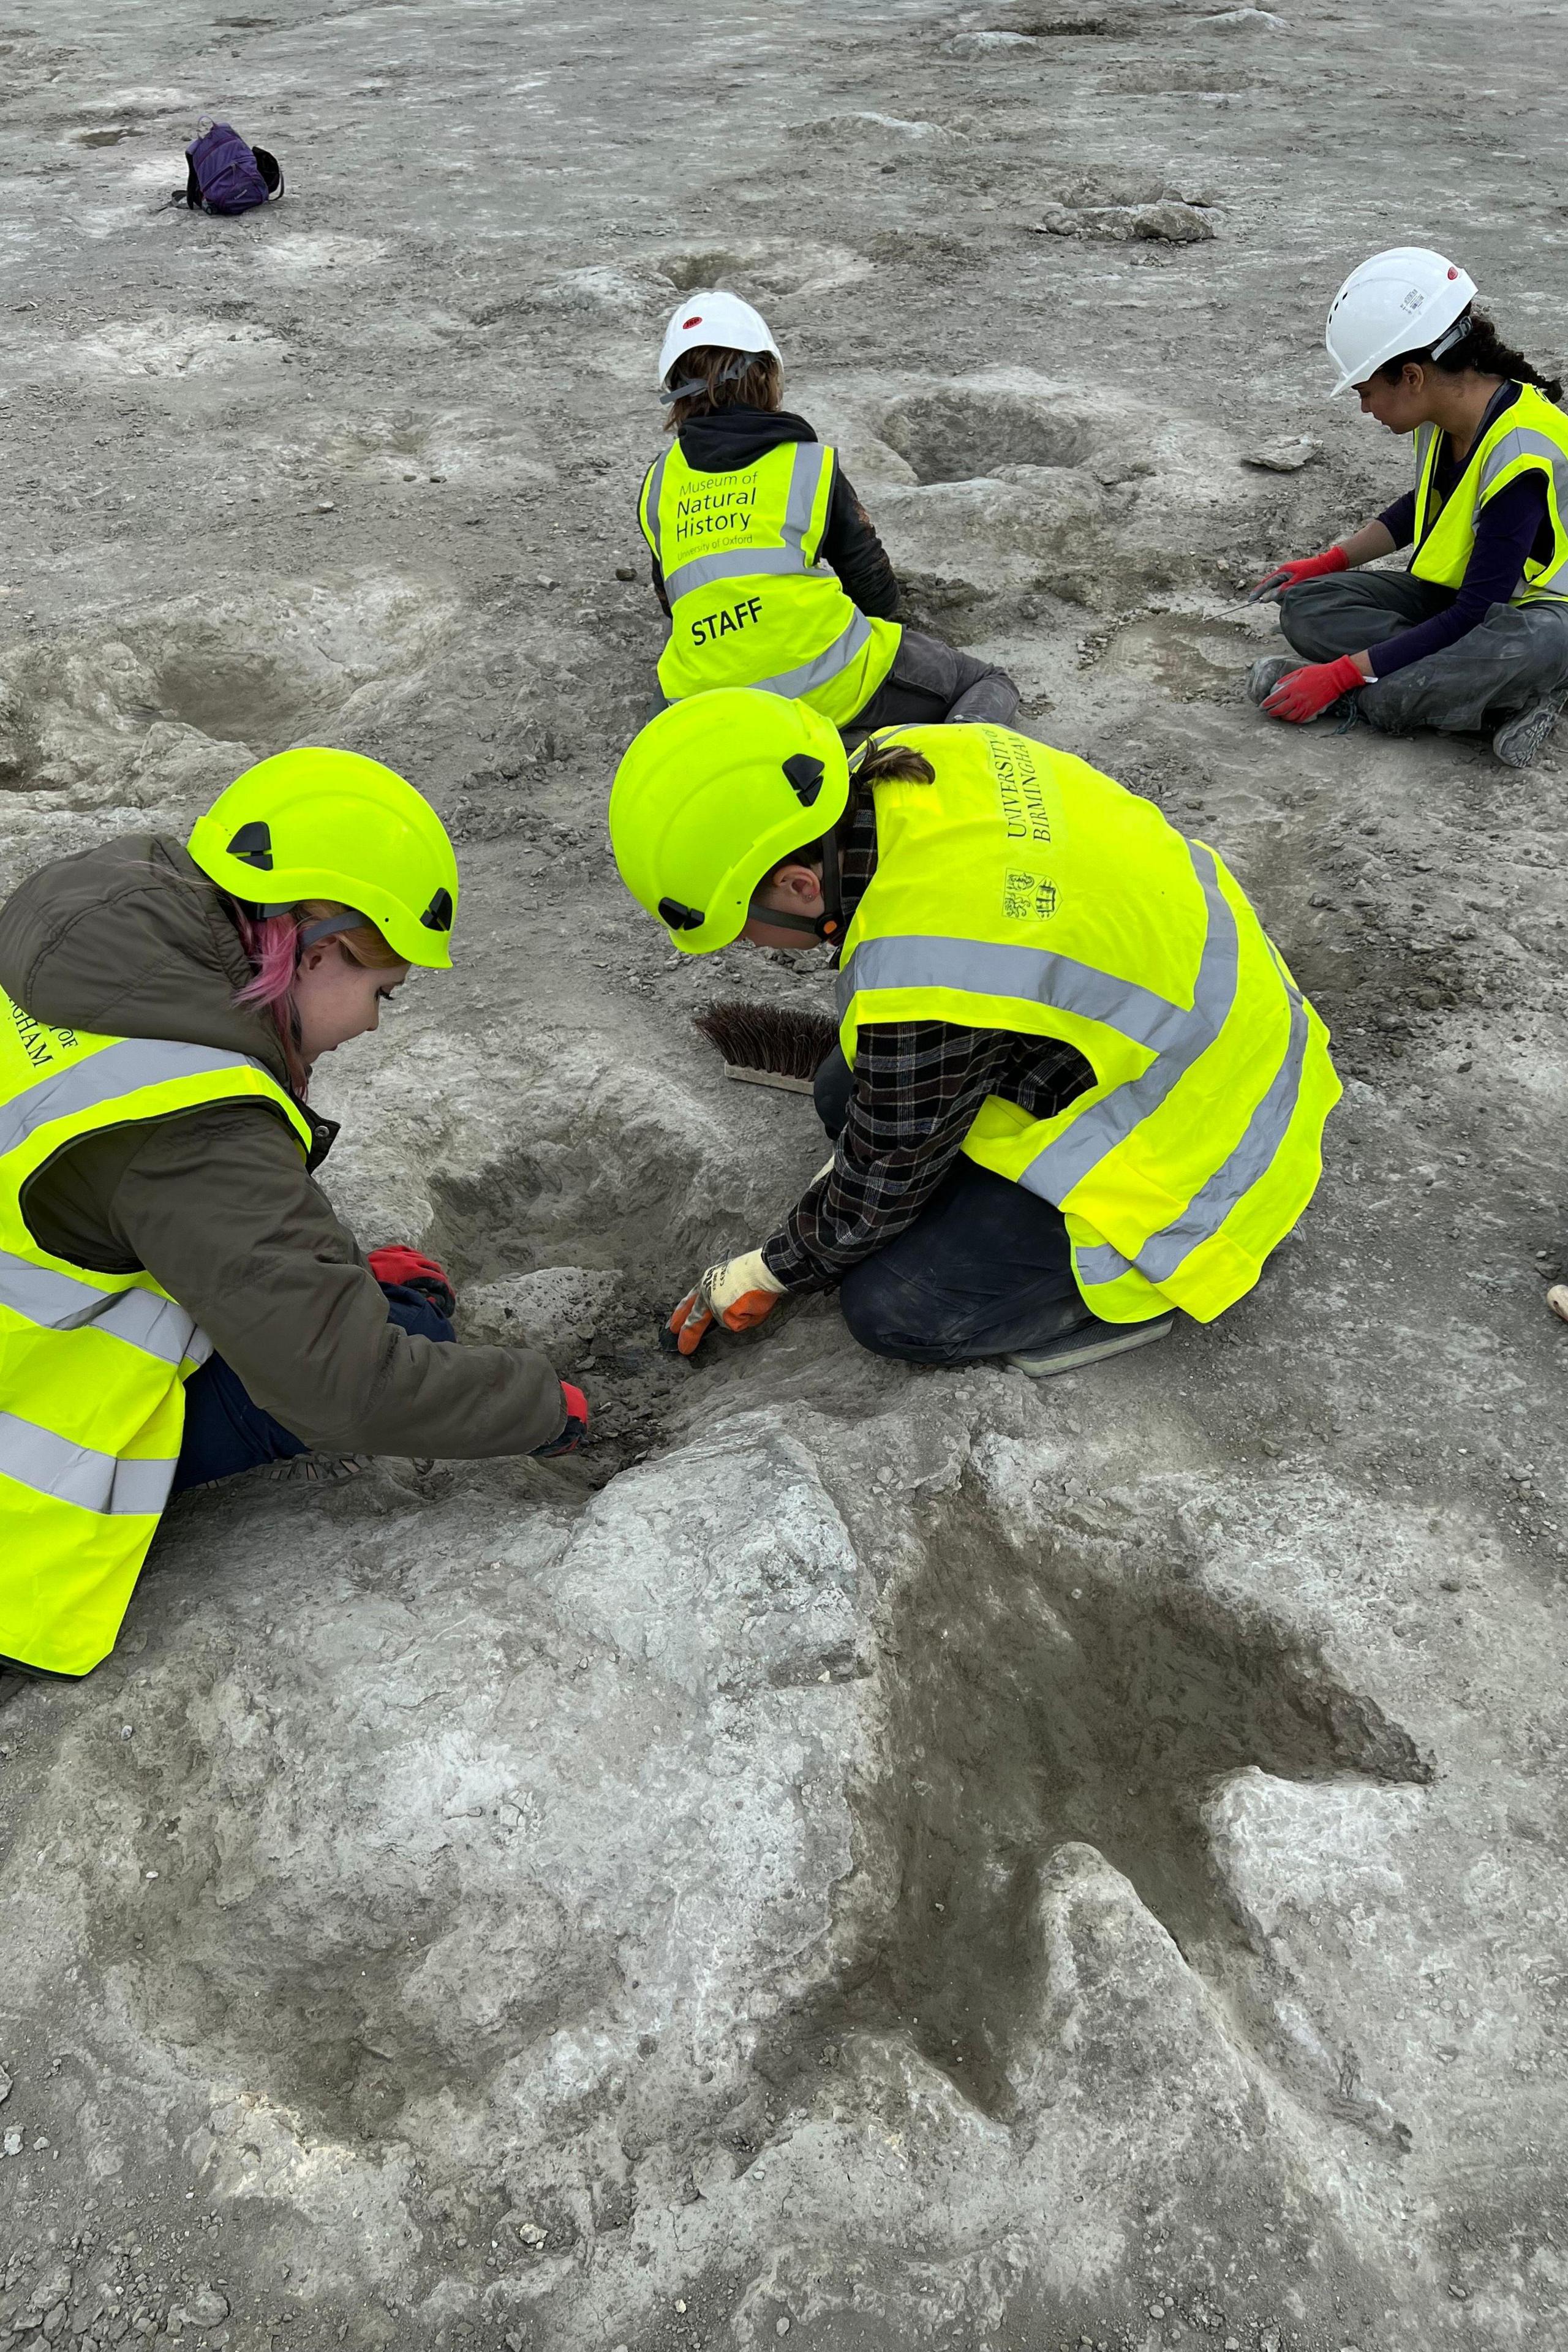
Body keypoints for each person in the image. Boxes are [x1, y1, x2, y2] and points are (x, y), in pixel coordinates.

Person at [0, 747, 586, 1681]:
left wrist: (331, 1271)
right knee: (402, 1336)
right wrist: (539, 1405)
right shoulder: (192, 1121)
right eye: (381, 992)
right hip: (17, 1476)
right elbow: (341, 1386)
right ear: (317, 954)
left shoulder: (98, 908)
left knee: (379, 1313)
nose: (373, 1024)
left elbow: (167, 1197)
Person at [608, 692, 1341, 1374]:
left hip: (1203, 1138)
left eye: (746, 928)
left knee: (896, 1309)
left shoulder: (928, 963)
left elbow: (884, 1174)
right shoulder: (919, 756)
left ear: (800, 886)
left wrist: (769, 1270)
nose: (757, 947)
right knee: (845, 1089)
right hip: (1196, 1020)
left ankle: (1120, 1305)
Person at [636, 290, 1020, 743]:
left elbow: (674, 603)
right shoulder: (807, 465)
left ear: (676, 394)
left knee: (672, 697)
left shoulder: (660, 483)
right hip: (829, 685)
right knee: (988, 682)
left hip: (710, 706)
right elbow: (871, 585)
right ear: (765, 375)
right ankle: (952, 752)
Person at [1247, 247, 1568, 768]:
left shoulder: (1522, 450)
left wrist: (1343, 675)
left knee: (1512, 653)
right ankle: (1468, 690)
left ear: (1413, 377)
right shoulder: (1446, 420)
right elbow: (1423, 506)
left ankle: (1449, 691)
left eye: (1368, 391)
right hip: (1461, 601)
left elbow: (1474, 613)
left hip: (1539, 616)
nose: (1365, 407)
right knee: (1306, 606)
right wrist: (1327, 564)